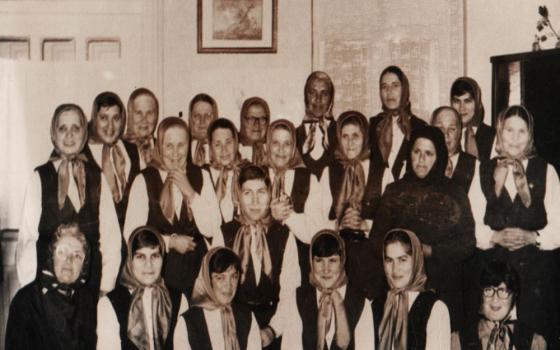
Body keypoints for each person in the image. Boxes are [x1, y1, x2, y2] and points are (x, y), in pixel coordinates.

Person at [371, 126, 475, 335]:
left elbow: (467, 242)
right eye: (417, 152)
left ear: (439, 157)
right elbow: (376, 240)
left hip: (443, 283)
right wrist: (402, 252)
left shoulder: (455, 192)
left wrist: (430, 251)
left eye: (429, 154)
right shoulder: (395, 190)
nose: (421, 159)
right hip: (401, 284)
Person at [473, 105, 560, 344]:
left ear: (530, 135)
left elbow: (558, 226)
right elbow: (473, 223)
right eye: (509, 130)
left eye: (522, 131)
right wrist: (495, 237)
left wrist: (533, 237)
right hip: (495, 276)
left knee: (532, 338)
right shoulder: (484, 170)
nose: (514, 137)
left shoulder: (546, 170)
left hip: (535, 275)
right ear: (500, 132)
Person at [17, 103, 121, 295]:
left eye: (76, 128)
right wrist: (31, 289)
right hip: (48, 289)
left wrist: (105, 287)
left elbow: (111, 238)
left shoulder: (97, 177)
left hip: (90, 288)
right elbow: (28, 238)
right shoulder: (39, 178)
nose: (69, 135)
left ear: (84, 133)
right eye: (62, 129)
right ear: (53, 134)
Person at [124, 116, 222, 298]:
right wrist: (170, 242)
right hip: (158, 273)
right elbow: (132, 234)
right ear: (159, 146)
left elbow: (212, 228)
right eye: (169, 145)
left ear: (189, 145)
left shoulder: (201, 175)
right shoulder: (143, 179)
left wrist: (190, 192)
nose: (175, 152)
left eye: (181, 145)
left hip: (197, 275)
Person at [221, 164, 300, 350]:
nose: (255, 201)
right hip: (233, 326)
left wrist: (272, 330)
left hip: (273, 326)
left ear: (270, 194)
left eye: (261, 192)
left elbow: (290, 291)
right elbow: (217, 291)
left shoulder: (284, 236)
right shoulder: (224, 234)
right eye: (248, 193)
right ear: (238, 195)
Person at [268, 229, 375, 350]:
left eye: (332, 260)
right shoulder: (298, 300)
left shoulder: (361, 303)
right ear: (311, 262)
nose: (326, 269)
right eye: (319, 260)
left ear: (342, 261)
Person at [316, 111, 380, 299]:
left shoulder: (381, 171)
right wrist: (337, 225)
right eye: (345, 136)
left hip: (370, 258)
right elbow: (318, 216)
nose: (350, 142)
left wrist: (365, 224)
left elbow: (390, 217)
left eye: (355, 136)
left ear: (365, 138)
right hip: (337, 259)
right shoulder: (329, 171)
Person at [6, 223, 96, 350]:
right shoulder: (26, 300)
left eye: (77, 256)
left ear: (84, 266)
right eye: (62, 252)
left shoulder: (86, 300)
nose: (68, 260)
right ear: (52, 257)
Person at [97, 226, 188, 350]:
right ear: (130, 260)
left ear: (163, 258)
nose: (149, 264)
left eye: (155, 256)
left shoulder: (179, 300)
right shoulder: (109, 303)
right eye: (140, 257)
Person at [264, 119, 323, 285]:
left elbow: (314, 232)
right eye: (276, 143)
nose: (281, 150)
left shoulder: (308, 179)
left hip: (298, 266)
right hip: (262, 263)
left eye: (287, 143)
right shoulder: (256, 175)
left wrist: (287, 215)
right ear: (268, 145)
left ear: (294, 147)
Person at [372, 229, 450, 350]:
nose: (395, 269)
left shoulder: (435, 308)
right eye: (389, 260)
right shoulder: (376, 305)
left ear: (416, 261)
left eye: (402, 260)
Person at [174, 247, 262, 350]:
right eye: (220, 278)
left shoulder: (247, 317)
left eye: (234, 277)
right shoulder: (187, 322)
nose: (228, 285)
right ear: (207, 280)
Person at [84, 91, 140, 230]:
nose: (110, 126)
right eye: (104, 118)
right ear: (94, 119)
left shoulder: (133, 151)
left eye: (116, 118)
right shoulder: (81, 153)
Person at [368, 65, 427, 198]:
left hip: (406, 203)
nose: (389, 92)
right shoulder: (373, 125)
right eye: (384, 87)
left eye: (395, 86)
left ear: (404, 89)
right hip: (376, 207)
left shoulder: (420, 127)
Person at [461, 261, 547, 350]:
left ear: (514, 296)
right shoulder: (459, 340)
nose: (495, 299)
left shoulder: (535, 342)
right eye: (488, 290)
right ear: (481, 295)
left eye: (502, 291)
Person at [295, 71, 337, 178]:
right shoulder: (293, 136)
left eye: (324, 93)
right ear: (305, 97)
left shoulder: (342, 134)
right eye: (312, 92)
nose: (318, 99)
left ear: (331, 99)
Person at [204, 118, 245, 223]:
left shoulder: (248, 171)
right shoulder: (203, 174)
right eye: (218, 144)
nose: (224, 150)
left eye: (228, 142)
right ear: (211, 147)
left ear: (236, 143)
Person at [431, 106, 479, 194]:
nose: (445, 134)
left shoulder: (475, 166)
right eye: (440, 128)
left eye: (452, 129)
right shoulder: (420, 163)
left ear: (460, 132)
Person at [450, 77, 496, 161]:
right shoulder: (446, 134)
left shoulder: (493, 135)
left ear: (477, 103)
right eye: (457, 101)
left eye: (467, 101)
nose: (461, 108)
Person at [124, 87, 160, 170]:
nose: (144, 119)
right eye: (138, 113)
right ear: (129, 115)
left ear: (156, 116)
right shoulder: (118, 149)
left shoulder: (164, 148)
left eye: (149, 113)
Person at [188, 93, 218, 167]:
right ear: (190, 119)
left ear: (215, 119)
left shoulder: (224, 149)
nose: (202, 121)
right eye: (197, 116)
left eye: (207, 116)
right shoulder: (179, 148)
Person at [239, 97, 270, 166]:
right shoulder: (233, 149)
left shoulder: (275, 149)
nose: (257, 124)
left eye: (262, 119)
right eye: (251, 119)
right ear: (243, 121)